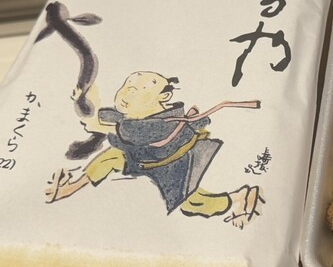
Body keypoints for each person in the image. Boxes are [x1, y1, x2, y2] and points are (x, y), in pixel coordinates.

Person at [45, 71, 263, 228]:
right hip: (145, 158)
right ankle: (70, 188)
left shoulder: (152, 126)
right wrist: (84, 100)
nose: (125, 94)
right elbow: (101, 117)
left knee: (192, 203)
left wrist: (89, 111)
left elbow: (102, 125)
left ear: (163, 97)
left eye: (135, 91)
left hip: (172, 166)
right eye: (126, 87)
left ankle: (238, 198)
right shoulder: (136, 115)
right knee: (110, 158)